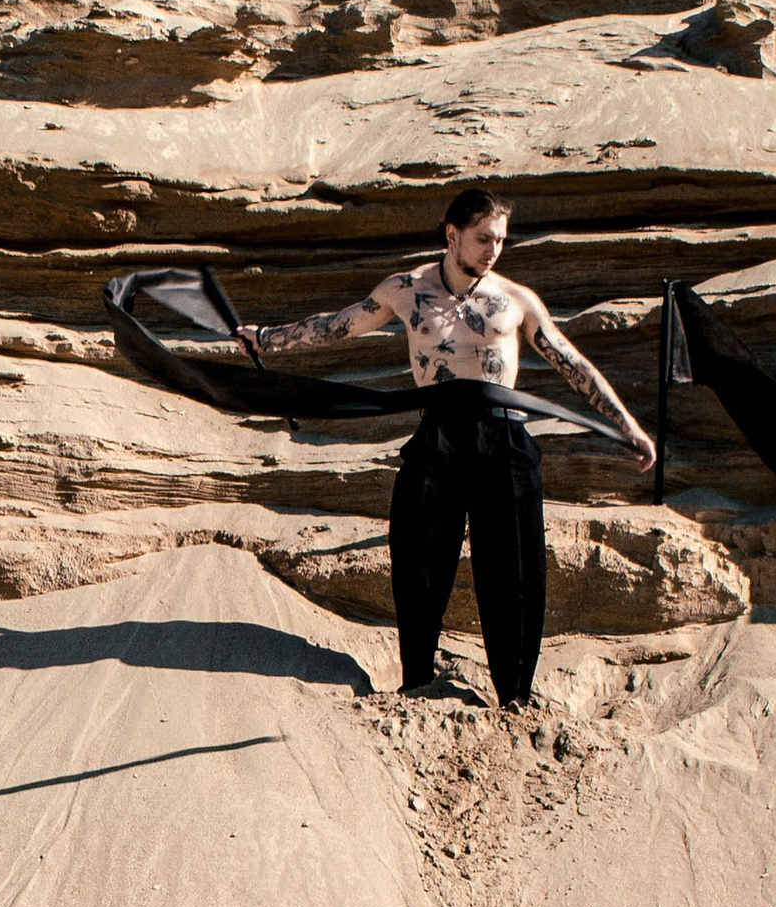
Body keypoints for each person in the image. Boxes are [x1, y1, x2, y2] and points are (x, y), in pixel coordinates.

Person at [240, 184, 655, 709]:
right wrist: (267, 337)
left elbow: (572, 365)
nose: (493, 250)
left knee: (514, 571)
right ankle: (416, 682)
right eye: (483, 239)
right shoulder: (406, 290)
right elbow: (339, 326)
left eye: (500, 240)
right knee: (417, 560)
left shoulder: (515, 301)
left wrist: (627, 424)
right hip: (438, 435)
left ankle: (516, 698)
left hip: (504, 438)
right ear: (452, 234)